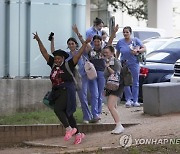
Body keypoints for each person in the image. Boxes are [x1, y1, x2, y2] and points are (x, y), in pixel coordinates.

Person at [33, 32, 91, 144]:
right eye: (55, 59)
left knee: (58, 109)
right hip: (57, 91)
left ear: (63, 58)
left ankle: (69, 129)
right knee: (67, 113)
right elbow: (44, 52)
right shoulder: (53, 64)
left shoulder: (69, 64)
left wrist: (85, 43)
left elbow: (78, 54)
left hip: (67, 90)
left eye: (59, 59)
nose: (57, 60)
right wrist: (38, 40)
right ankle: (78, 134)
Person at [74, 24, 119, 123]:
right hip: (92, 73)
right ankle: (94, 114)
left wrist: (114, 32)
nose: (97, 43)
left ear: (101, 42)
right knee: (94, 94)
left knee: (99, 95)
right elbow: (83, 42)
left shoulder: (104, 50)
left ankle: (98, 113)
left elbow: (110, 42)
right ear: (93, 42)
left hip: (102, 73)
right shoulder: (90, 49)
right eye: (95, 41)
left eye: (98, 41)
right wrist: (77, 33)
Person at [50, 34, 92, 124]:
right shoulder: (66, 55)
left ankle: (87, 117)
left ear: (76, 44)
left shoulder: (81, 52)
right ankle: (69, 118)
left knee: (83, 98)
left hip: (81, 78)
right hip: (71, 79)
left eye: (72, 43)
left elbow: (88, 48)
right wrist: (52, 41)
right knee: (69, 100)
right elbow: (54, 53)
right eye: (69, 44)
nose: (71, 45)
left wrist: (84, 40)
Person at [115, 26, 146, 108]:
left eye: (127, 32)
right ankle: (129, 99)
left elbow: (144, 48)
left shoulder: (135, 40)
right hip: (124, 63)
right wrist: (116, 60)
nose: (125, 34)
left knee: (135, 81)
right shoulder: (120, 42)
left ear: (130, 33)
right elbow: (117, 52)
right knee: (126, 82)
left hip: (134, 63)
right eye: (124, 32)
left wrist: (137, 50)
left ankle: (135, 100)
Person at [103, 45, 124, 134]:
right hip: (110, 85)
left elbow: (116, 74)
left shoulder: (116, 62)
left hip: (117, 85)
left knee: (110, 106)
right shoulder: (108, 61)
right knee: (113, 106)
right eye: (104, 53)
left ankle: (119, 125)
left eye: (107, 53)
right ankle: (117, 124)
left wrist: (108, 67)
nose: (105, 55)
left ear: (112, 52)